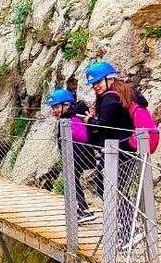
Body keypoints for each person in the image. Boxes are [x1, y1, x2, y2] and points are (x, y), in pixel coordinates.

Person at [78, 61, 150, 247]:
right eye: (93, 84)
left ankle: (130, 228)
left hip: (117, 151)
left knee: (108, 188)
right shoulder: (123, 93)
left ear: (109, 79)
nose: (95, 86)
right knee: (116, 189)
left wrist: (89, 120)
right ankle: (127, 228)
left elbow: (104, 126)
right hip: (126, 149)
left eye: (97, 82)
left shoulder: (110, 99)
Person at [47, 89, 95, 224]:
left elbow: (83, 137)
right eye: (53, 108)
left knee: (72, 180)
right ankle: (82, 209)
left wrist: (68, 132)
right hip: (76, 155)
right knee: (72, 181)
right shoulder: (70, 117)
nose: (54, 111)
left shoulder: (71, 118)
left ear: (67, 105)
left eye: (56, 107)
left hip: (77, 156)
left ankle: (83, 209)